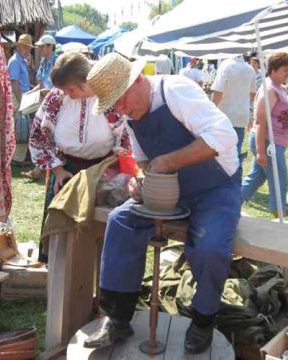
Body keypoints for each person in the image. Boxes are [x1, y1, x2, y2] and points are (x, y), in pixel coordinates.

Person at [84, 53, 241, 353]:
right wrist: (139, 182)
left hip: (215, 188)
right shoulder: (131, 115)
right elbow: (144, 162)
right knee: (120, 221)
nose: (120, 109)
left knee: (210, 246)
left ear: (138, 80)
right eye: (113, 105)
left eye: (121, 99)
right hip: (171, 190)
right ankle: (117, 317)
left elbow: (224, 135)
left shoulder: (176, 90)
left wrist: (169, 161)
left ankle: (203, 320)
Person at [29, 52, 129, 263]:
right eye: (63, 89)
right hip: (65, 169)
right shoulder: (57, 98)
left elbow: (126, 138)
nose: (67, 93)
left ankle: (92, 279)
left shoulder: (108, 98)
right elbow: (39, 135)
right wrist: (58, 171)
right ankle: (58, 273)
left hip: (102, 172)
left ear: (87, 81)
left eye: (71, 89)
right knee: (61, 230)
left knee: (95, 230)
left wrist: (111, 171)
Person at [241, 52, 288, 217]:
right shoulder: (269, 90)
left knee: (256, 178)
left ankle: (229, 205)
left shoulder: (278, 87)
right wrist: (260, 151)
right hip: (268, 143)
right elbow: (260, 121)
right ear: (272, 70)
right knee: (280, 182)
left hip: (274, 142)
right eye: (285, 70)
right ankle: (278, 213)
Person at [23, 34, 61, 181]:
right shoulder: (44, 62)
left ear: (50, 46)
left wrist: (48, 91)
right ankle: (39, 170)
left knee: (48, 135)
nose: (40, 49)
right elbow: (41, 83)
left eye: (42, 46)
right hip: (46, 102)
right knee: (45, 135)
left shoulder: (57, 62)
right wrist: (31, 93)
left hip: (55, 104)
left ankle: (40, 170)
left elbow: (58, 84)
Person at [211, 55, 257, 161]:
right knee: (236, 149)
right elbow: (252, 93)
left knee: (221, 151)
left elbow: (218, 91)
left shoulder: (226, 65)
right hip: (241, 115)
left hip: (224, 115)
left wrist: (211, 110)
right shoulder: (250, 69)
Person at [8, 34, 33, 162]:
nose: (28, 50)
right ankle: (16, 158)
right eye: (26, 47)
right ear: (19, 46)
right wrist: (22, 101)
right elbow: (14, 83)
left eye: (29, 48)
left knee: (22, 128)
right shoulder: (15, 61)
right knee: (19, 127)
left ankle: (19, 158)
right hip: (17, 97)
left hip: (23, 95)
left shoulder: (21, 61)